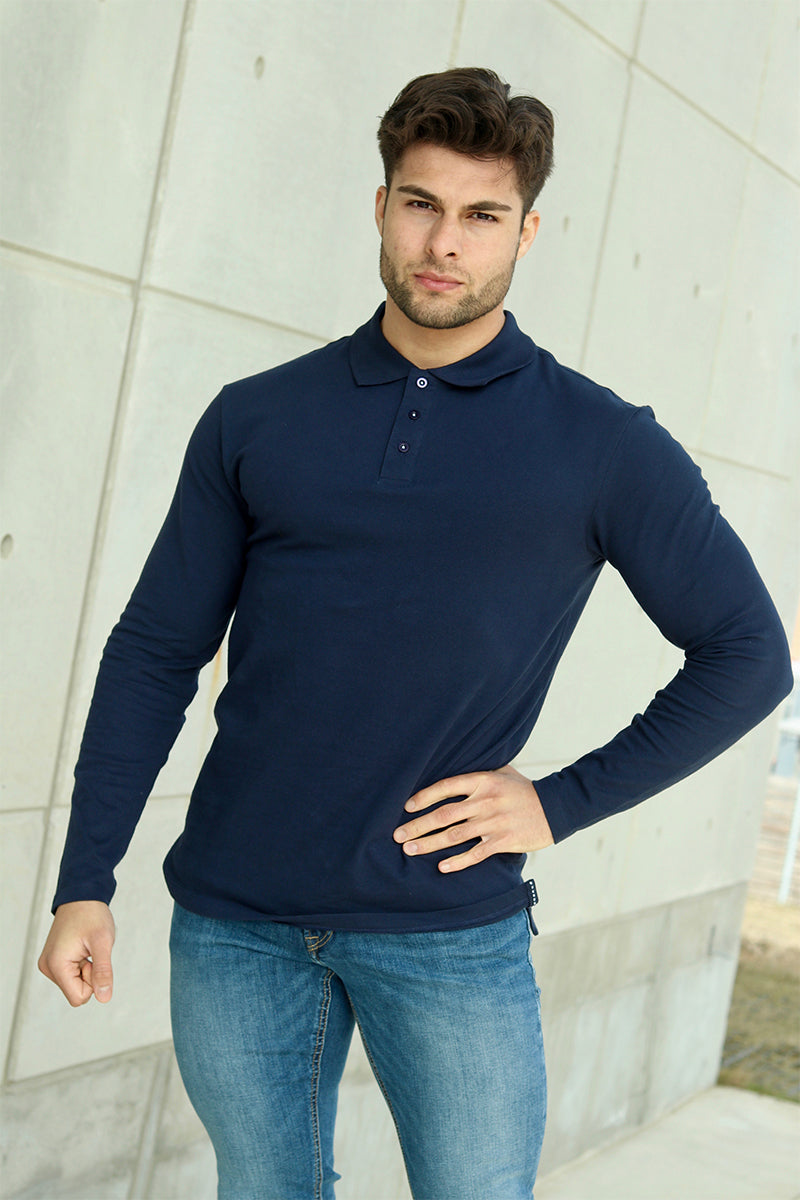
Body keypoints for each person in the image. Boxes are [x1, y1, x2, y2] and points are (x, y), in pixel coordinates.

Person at [39, 68, 792, 1199]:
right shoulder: (257, 416)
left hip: (448, 931)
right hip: (236, 924)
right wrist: (84, 881)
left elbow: (749, 653)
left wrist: (559, 802)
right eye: (421, 204)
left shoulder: (601, 444)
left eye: (482, 215)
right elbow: (154, 653)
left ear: (525, 233)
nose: (445, 243)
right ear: (381, 205)